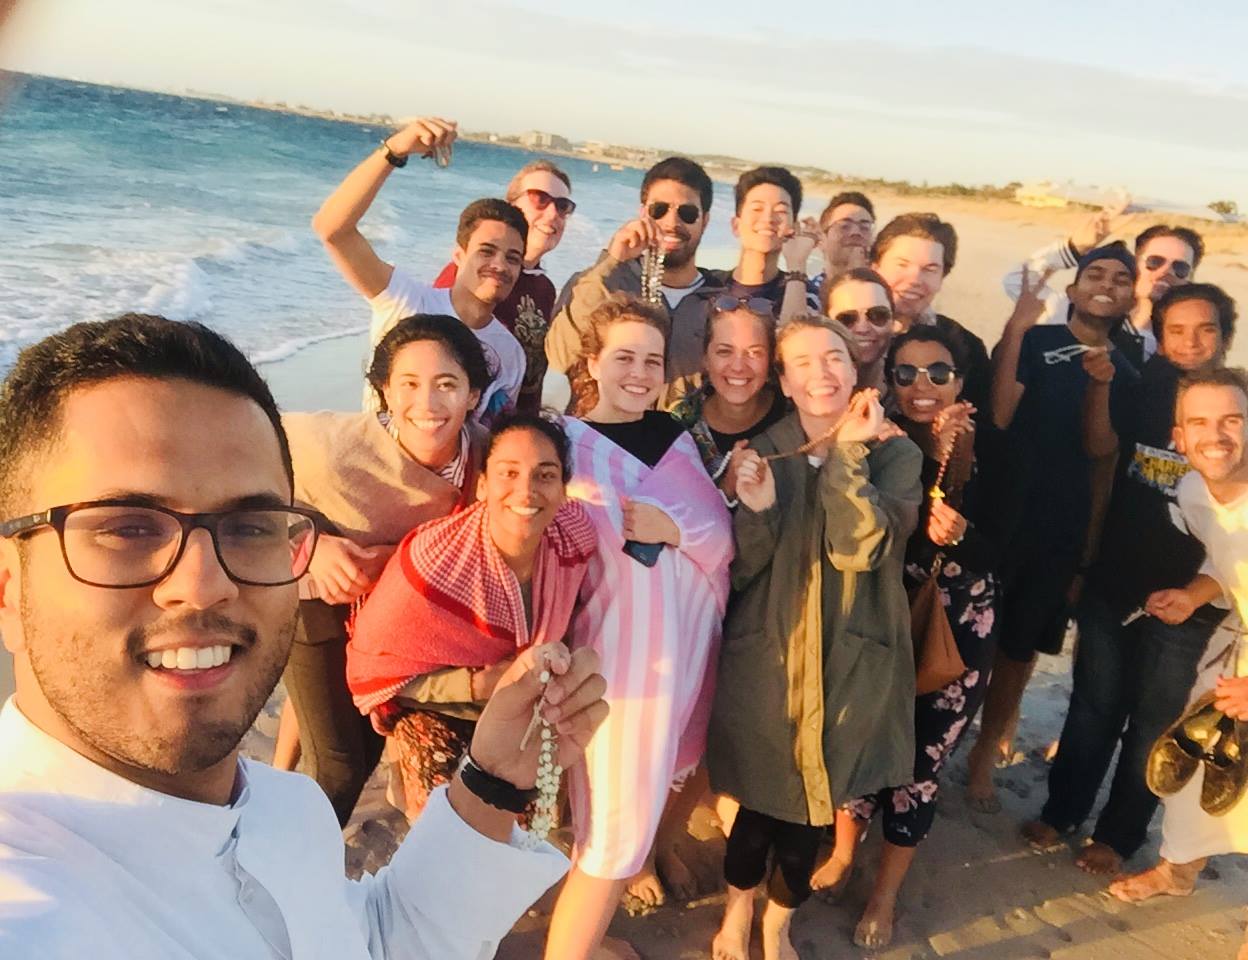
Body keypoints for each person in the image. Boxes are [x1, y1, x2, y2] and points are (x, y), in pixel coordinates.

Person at [0, 313, 609, 959]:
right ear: (9, 589)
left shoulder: (287, 807)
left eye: (251, 526)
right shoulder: (30, 904)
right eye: (127, 527)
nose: (202, 585)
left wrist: (492, 782)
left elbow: (371, 942)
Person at [708, 313, 922, 960]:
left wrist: (850, 454)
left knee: (810, 815)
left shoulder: (896, 451)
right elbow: (744, 568)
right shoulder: (765, 447)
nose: (821, 373)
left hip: (850, 658)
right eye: (802, 362)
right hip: (769, 657)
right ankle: (736, 912)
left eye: (833, 357)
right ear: (785, 379)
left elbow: (859, 547)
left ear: (855, 368)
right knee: (756, 808)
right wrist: (759, 510)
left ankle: (777, 923)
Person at [1022, 284, 1237, 874]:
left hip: (1195, 595)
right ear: (1158, 334)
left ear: (1226, 334)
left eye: (1207, 329)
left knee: (1155, 720)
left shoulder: (1236, 405)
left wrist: (1201, 594)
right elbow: (1102, 459)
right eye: (1177, 329)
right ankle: (1063, 810)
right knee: (1093, 704)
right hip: (1115, 578)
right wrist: (1085, 563)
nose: (1191, 341)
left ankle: (1118, 835)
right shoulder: (1141, 390)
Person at [544, 295, 733, 960]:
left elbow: (721, 536)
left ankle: (582, 944)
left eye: (652, 360)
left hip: (676, 662)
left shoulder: (676, 439)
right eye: (623, 356)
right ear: (591, 362)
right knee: (613, 833)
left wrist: (673, 529)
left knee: (615, 824)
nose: (639, 371)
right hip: (614, 672)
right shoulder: (562, 447)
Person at [813, 325, 1012, 948]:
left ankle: (885, 894)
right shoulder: (874, 438)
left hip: (957, 630)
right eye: (906, 373)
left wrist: (958, 531)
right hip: (881, 618)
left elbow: (1013, 549)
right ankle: (845, 852)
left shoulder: (994, 449)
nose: (922, 386)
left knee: (922, 762)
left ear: (961, 378)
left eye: (938, 373)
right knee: (863, 738)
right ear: (888, 381)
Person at [275, 314, 493, 825]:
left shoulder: (487, 455)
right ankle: (290, 866)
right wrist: (311, 543)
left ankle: (279, 794)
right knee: (344, 762)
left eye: (447, 385)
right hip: (316, 600)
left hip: (397, 618)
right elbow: (234, 483)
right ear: (384, 393)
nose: (428, 404)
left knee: (369, 738)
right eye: (409, 385)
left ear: (473, 395)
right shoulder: (328, 446)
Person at [346, 413, 597, 819]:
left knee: (523, 832)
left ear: (564, 489)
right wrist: (477, 684)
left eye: (545, 475)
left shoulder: (573, 538)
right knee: (447, 831)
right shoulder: (434, 563)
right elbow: (375, 670)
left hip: (523, 705)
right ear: (482, 485)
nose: (526, 491)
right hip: (440, 710)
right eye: (508, 473)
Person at [966, 244, 1142, 810]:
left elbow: (1103, 455)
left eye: (1120, 279)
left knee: (1019, 650)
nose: (1106, 285)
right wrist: (1016, 328)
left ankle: (983, 756)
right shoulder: (1036, 342)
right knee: (974, 638)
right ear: (1072, 289)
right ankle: (948, 736)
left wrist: (1086, 555)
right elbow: (998, 415)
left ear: (1130, 297)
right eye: (1094, 274)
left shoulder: (1128, 371)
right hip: (1000, 515)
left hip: (1059, 527)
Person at [1108, 369, 1248, 960]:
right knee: (1195, 770)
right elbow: (1228, 563)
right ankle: (1177, 871)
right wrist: (1194, 595)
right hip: (1233, 654)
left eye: (1233, 421)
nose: (1216, 435)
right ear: (1180, 436)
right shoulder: (1194, 491)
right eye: (1200, 423)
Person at [312, 115, 527, 422]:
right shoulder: (407, 302)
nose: (499, 265)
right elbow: (332, 230)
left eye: (513, 257)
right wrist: (395, 150)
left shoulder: (511, 354)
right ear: (458, 255)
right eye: (486, 251)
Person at [548, 156, 726, 410]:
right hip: (604, 439)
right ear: (643, 213)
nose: (672, 223)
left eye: (687, 213)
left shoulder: (718, 300)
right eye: (659, 210)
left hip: (681, 444)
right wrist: (613, 261)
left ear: (705, 220)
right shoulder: (600, 282)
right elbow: (561, 355)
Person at [434, 160, 574, 412]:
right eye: (539, 199)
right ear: (511, 207)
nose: (553, 213)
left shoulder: (544, 287)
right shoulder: (470, 273)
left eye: (563, 206)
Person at [1004, 213, 1205, 368]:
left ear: (1190, 278)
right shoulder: (1076, 310)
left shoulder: (1182, 343)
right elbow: (1015, 281)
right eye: (1154, 262)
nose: (1165, 272)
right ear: (1134, 264)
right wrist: (1074, 247)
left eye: (1180, 268)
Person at [869, 212, 992, 413]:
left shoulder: (965, 345)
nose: (915, 279)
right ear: (875, 267)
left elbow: (981, 424)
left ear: (943, 277)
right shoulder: (851, 333)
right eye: (902, 264)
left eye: (930, 269)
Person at [670, 297, 786, 494]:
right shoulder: (680, 425)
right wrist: (728, 484)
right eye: (724, 352)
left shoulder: (793, 415)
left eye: (754, 353)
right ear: (706, 359)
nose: (738, 366)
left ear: (770, 361)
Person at [821, 266, 897, 400]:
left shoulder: (908, 391)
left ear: (893, 320)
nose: (862, 329)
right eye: (846, 319)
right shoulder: (810, 392)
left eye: (877, 315)